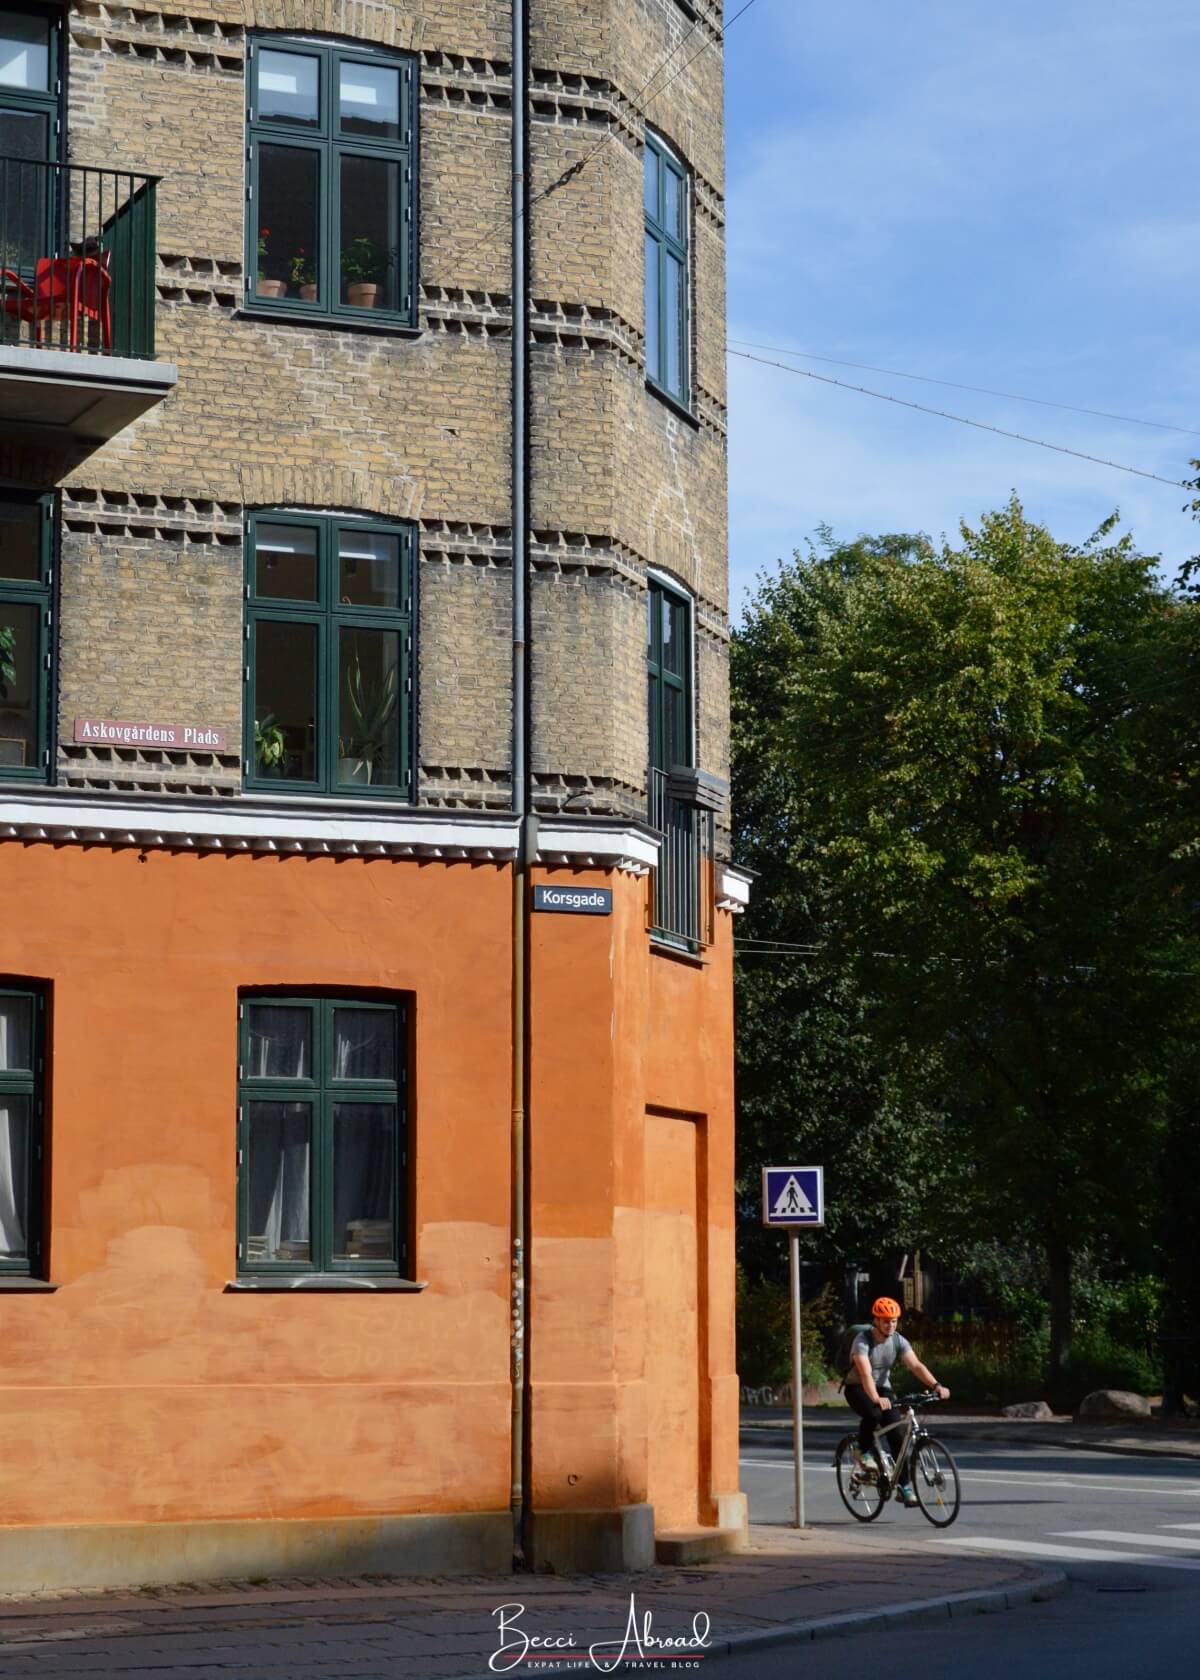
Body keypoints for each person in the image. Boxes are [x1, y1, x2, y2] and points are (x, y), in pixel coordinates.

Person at [845, 1296, 949, 1506]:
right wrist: (875, 1398)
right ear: (876, 1320)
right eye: (885, 1320)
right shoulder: (863, 1341)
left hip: (883, 1388)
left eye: (893, 1320)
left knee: (897, 1436)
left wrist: (936, 1386)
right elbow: (865, 1375)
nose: (890, 1324)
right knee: (873, 1413)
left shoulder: (898, 1340)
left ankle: (904, 1487)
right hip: (857, 1387)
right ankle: (862, 1451)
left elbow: (916, 1366)